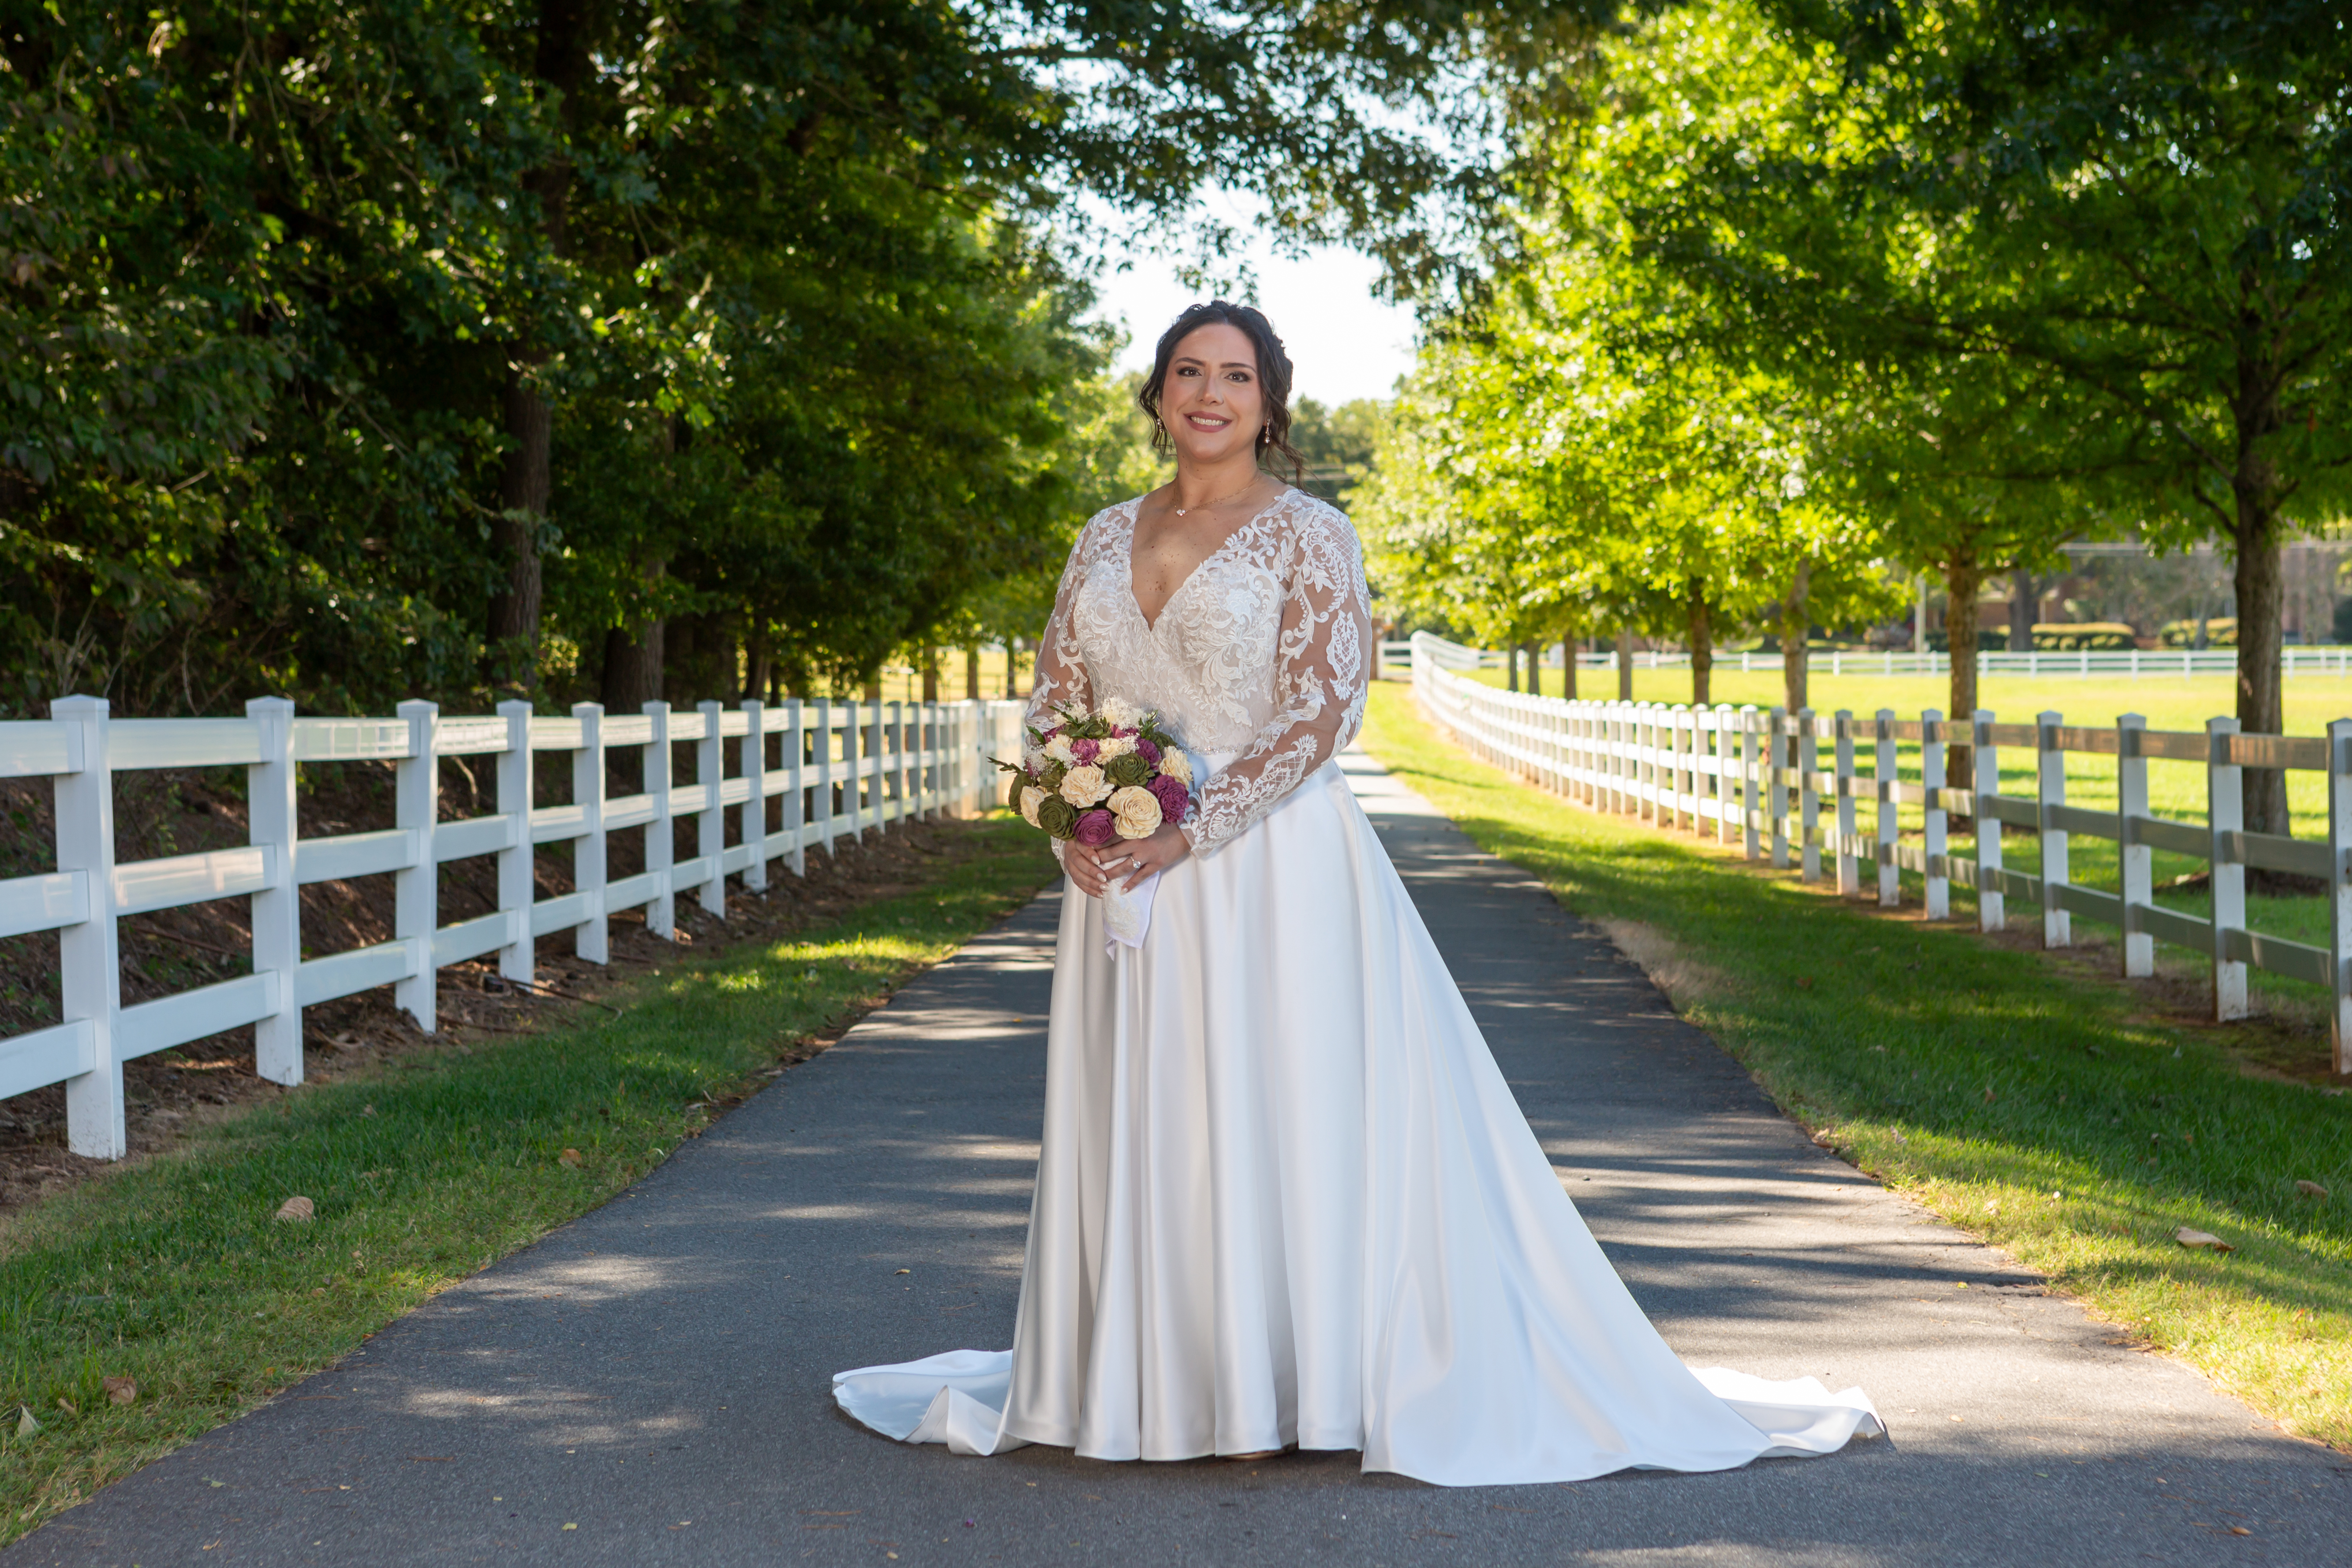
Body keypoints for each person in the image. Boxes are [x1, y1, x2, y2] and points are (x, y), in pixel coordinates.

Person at [833, 301, 1881, 1485]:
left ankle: (1304, 1377)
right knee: (1152, 1111)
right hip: (1122, 881)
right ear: (1158, 393)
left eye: (1236, 375)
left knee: (1286, 1108)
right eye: (1189, 371)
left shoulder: (1310, 534)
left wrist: (1198, 825)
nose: (1210, 393)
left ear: (1270, 404)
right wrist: (1068, 823)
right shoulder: (1099, 538)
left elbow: (1329, 708)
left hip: (1273, 871)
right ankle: (1150, 1378)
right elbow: (1047, 704)